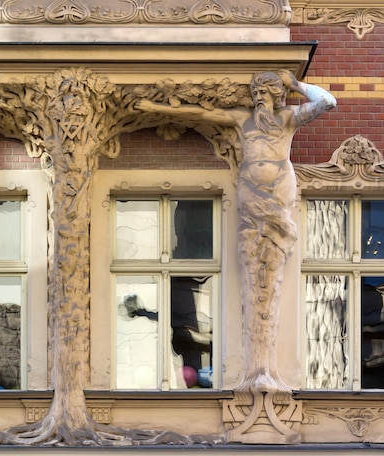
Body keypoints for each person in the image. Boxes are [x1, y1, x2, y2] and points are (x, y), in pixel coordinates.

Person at [137, 71, 336, 394]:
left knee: (271, 263)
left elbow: (327, 101)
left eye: (265, 94)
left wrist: (295, 84)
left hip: (278, 191)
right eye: (256, 94)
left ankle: (266, 364)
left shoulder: (287, 118)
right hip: (251, 194)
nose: (259, 99)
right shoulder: (242, 119)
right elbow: (200, 113)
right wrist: (153, 105)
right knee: (255, 259)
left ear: (277, 96)